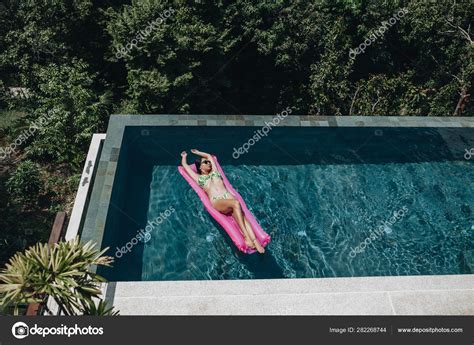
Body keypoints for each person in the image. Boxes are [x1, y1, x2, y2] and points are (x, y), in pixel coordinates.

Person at [180, 149, 265, 253]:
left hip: (228, 199)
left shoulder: (215, 172)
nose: (208, 163)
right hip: (218, 202)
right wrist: (184, 156)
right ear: (200, 167)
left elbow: (210, 156)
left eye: (208, 162)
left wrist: (198, 152)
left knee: (243, 217)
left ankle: (255, 241)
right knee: (236, 203)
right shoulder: (199, 179)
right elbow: (185, 166)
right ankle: (247, 237)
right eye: (205, 162)